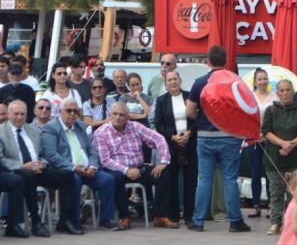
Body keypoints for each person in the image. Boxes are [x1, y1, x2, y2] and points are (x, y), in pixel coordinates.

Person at [186, 45, 251, 233]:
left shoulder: (199, 82)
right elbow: (243, 108)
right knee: (230, 179)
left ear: (208, 61)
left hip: (205, 137)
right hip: (229, 136)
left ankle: (198, 221)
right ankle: (235, 221)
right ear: (226, 61)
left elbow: (190, 111)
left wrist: (203, 118)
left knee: (204, 180)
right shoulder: (233, 82)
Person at [92, 102, 176, 230]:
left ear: (127, 117)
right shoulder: (100, 133)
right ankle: (124, 217)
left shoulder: (135, 126)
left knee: (163, 173)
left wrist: (163, 162)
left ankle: (160, 216)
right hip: (117, 170)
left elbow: (159, 139)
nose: (118, 117)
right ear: (109, 115)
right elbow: (104, 160)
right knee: (115, 178)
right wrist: (126, 170)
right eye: (115, 114)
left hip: (139, 169)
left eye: (122, 115)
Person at [0, 100, 77, 236]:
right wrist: (22, 166)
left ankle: (64, 220)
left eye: (22, 114)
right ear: (9, 114)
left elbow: (43, 154)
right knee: (26, 176)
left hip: (38, 170)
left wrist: (42, 163)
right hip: (16, 171)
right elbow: (2, 159)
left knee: (67, 174)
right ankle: (36, 221)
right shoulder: (2, 132)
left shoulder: (33, 130)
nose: (19, 117)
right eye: (16, 114)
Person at [41, 98, 117, 230]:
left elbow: (90, 149)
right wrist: (73, 168)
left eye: (75, 111)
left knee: (109, 180)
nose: (72, 114)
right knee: (73, 180)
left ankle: (106, 219)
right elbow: (51, 155)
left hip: (87, 169)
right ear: (60, 112)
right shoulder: (51, 128)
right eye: (68, 110)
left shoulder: (80, 126)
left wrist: (93, 166)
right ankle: (74, 221)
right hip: (67, 170)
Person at [262, 79, 297, 235]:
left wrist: (290, 145)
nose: (285, 93)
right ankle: (276, 223)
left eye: (288, 90)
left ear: (292, 91)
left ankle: (293, 224)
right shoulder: (271, 110)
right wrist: (282, 143)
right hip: (275, 159)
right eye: (282, 90)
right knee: (276, 193)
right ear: (277, 93)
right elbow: (266, 132)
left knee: (295, 195)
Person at [153, 71, 197, 225]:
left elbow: (199, 118)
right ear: (165, 83)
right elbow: (158, 124)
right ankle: (172, 215)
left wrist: (189, 133)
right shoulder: (161, 100)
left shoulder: (190, 97)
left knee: (190, 181)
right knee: (171, 180)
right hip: (171, 145)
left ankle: (190, 215)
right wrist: (173, 137)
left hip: (189, 143)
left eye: (175, 79)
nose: (173, 82)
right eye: (169, 80)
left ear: (180, 80)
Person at [245, 68, 277, 218]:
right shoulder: (249, 97)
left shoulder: (275, 97)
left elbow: (277, 120)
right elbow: (245, 118)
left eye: (265, 79)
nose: (263, 82)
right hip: (253, 139)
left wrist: (268, 134)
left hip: (270, 139)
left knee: (270, 173)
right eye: (260, 79)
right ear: (255, 82)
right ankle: (256, 205)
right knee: (255, 172)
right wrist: (255, 133)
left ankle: (271, 205)